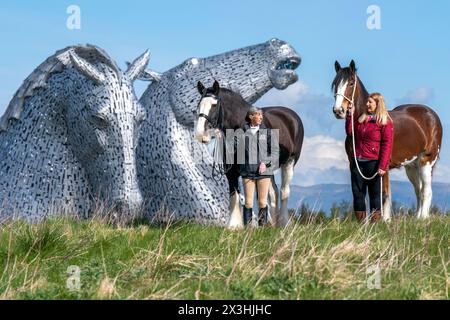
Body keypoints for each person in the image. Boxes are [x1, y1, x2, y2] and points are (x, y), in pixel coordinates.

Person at [346, 93, 394, 223]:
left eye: (370, 102)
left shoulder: (384, 122)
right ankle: (361, 225)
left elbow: (387, 144)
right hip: (358, 163)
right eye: (367, 102)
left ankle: (374, 226)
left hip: (373, 163)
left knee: (374, 195)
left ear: (378, 105)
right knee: (358, 195)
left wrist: (382, 166)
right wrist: (350, 115)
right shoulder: (362, 119)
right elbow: (350, 132)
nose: (367, 104)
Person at [239, 107, 275, 227]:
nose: (261, 117)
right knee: (248, 203)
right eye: (258, 115)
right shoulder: (241, 132)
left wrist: (266, 163)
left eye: (261, 115)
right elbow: (232, 148)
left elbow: (275, 152)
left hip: (264, 173)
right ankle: (247, 231)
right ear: (251, 117)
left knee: (262, 202)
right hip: (247, 171)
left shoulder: (268, 132)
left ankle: (262, 231)